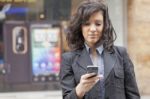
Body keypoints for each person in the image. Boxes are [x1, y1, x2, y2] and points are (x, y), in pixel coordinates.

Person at [59, 0, 140, 99]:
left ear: (105, 26)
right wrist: (80, 89)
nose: (93, 29)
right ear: (80, 27)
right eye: (87, 24)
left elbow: (133, 95)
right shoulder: (68, 59)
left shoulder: (121, 54)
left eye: (98, 24)